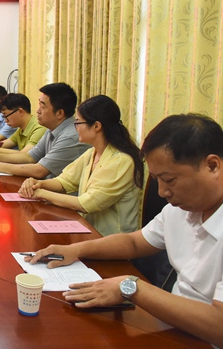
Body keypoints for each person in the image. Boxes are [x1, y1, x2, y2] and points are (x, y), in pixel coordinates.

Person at [28, 114, 223, 347]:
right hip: (175, 327)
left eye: (170, 180)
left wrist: (132, 287)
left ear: (212, 166)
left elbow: (219, 325)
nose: (162, 192)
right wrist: (76, 249)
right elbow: (134, 242)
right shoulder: (181, 209)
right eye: (157, 180)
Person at [18, 95, 145, 236]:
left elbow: (86, 204)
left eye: (78, 122)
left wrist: (41, 193)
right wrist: (37, 184)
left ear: (96, 126)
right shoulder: (92, 153)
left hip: (113, 239)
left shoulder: (121, 161)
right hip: (88, 231)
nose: (76, 127)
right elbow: (65, 181)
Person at [0, 82, 89, 178]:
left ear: (59, 113)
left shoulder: (70, 136)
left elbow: (39, 170)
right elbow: (29, 157)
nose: (38, 111)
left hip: (61, 194)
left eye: (43, 106)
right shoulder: (51, 130)